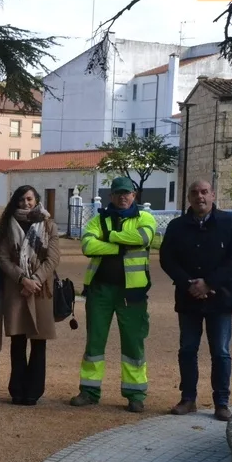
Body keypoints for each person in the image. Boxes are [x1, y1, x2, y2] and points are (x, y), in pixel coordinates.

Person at [160, 180, 232, 421]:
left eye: (204, 192)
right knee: (187, 349)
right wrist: (189, 283)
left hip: (221, 297)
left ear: (213, 195)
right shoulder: (177, 226)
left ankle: (221, 402)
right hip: (188, 297)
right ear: (188, 197)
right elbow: (167, 259)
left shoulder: (230, 222)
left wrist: (209, 282)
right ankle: (188, 398)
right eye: (194, 193)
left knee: (220, 351)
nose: (200, 197)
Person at [70, 177, 157, 413]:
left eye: (127, 193)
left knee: (133, 344)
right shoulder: (99, 218)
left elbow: (143, 238)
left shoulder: (145, 218)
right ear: (111, 196)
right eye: (118, 193)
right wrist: (120, 245)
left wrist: (108, 237)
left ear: (134, 195)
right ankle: (89, 391)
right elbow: (88, 246)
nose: (123, 197)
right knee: (94, 342)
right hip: (100, 289)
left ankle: (135, 394)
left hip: (133, 292)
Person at [0, 186, 60, 406]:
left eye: (30, 199)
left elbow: (52, 259)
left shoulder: (48, 225)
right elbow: (3, 258)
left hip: (41, 289)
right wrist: (22, 279)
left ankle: (33, 391)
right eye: (22, 199)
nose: (26, 203)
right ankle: (17, 390)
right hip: (16, 288)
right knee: (18, 340)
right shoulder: (8, 226)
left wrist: (35, 280)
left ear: (36, 200)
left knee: (39, 341)